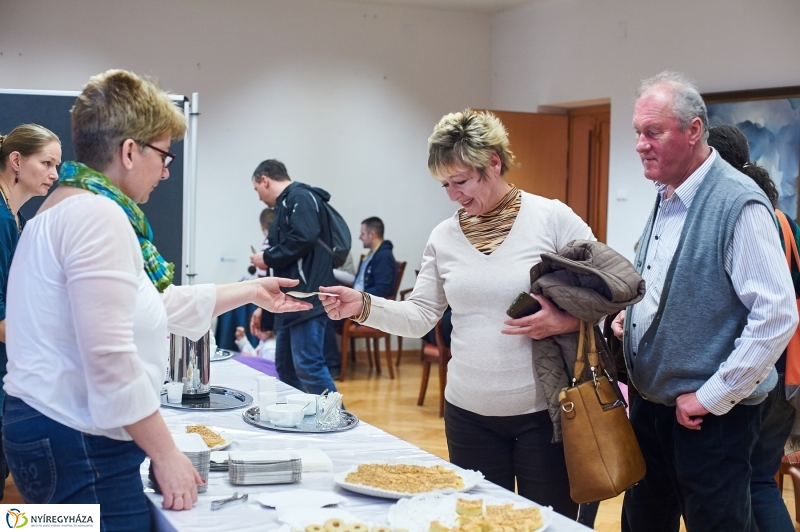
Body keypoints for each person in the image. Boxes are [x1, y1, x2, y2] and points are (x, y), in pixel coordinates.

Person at [2, 70, 311, 531]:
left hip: (48, 430)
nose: (167, 170)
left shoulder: (66, 205)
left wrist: (251, 291)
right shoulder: (96, 216)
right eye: (165, 155)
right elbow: (109, 356)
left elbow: (154, 305)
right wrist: (165, 453)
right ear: (130, 151)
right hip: (76, 439)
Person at [320, 109, 593, 518]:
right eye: (445, 184)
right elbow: (420, 315)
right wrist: (362, 305)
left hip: (543, 415)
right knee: (477, 523)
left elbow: (610, 291)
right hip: (468, 416)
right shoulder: (444, 236)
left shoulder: (551, 219)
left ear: (494, 163)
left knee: (546, 523)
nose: (453, 194)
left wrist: (566, 321)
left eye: (460, 181)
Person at [612, 72, 797, 532]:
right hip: (653, 408)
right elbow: (670, 282)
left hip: (708, 421)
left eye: (652, 132)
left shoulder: (739, 204)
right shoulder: (668, 193)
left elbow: (776, 317)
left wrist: (711, 397)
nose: (640, 144)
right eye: (638, 132)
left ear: (693, 130)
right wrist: (628, 317)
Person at [708, 123, 798, 532]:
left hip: (760, 369)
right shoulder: (784, 220)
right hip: (788, 372)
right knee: (761, 479)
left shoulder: (748, 216)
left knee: (748, 484)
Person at [0, 123, 61, 500]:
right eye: (47, 162)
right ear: (17, 161)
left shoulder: (15, 217)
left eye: (58, 165)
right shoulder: (3, 219)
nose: (54, 174)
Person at [249, 159, 340, 394]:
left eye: (257, 189)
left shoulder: (300, 197)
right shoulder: (288, 202)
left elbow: (304, 238)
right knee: (287, 368)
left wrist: (267, 258)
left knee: (308, 365)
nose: (258, 197)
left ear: (265, 180)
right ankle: (295, 423)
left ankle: (338, 422)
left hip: (307, 297)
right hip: (293, 301)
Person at [353, 217, 398, 298]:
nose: (359, 237)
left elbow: (381, 290)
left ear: (372, 235)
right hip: (359, 298)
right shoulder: (371, 254)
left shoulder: (384, 256)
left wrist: (356, 296)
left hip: (366, 304)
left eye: (362, 234)